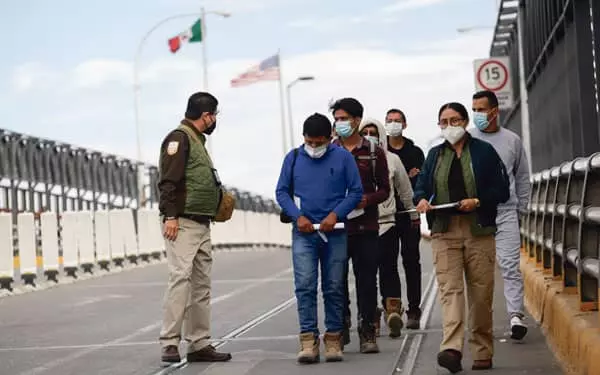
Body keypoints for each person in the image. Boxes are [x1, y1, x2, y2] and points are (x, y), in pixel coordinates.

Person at [414, 102, 509, 373]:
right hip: (445, 231)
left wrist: (478, 201)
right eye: (443, 121)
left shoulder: (484, 152)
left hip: (478, 230)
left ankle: (482, 350)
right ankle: (452, 350)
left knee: (480, 294)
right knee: (450, 292)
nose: (449, 126)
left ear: (465, 121)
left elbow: (502, 189)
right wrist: (421, 200)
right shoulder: (434, 155)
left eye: (454, 120)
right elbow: (421, 186)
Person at [275, 113, 363, 364]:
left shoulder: (343, 157)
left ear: (330, 138)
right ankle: (308, 339)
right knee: (305, 286)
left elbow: (355, 191)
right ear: (303, 138)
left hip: (334, 233)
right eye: (309, 142)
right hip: (304, 233)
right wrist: (297, 216)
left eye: (319, 142)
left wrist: (336, 215)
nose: (314, 147)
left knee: (334, 286)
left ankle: (334, 338)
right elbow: (281, 191)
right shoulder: (292, 158)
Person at [157, 92, 232, 363]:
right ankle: (169, 342)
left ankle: (199, 343)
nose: (214, 121)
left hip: (202, 222)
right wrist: (170, 216)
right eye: (214, 115)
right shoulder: (179, 139)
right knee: (180, 279)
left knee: (201, 285)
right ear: (206, 116)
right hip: (184, 222)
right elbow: (168, 180)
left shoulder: (197, 141)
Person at [330, 98, 390, 354]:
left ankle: (367, 330)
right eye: (337, 119)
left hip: (366, 226)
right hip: (338, 227)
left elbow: (385, 189)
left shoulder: (374, 152)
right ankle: (341, 329)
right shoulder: (330, 150)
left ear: (357, 119)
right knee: (337, 282)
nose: (340, 123)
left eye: (344, 118)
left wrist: (367, 199)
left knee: (367, 281)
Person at [470, 90, 531, 340]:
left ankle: (516, 314)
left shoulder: (512, 141)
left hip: (506, 211)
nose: (477, 115)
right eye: (474, 110)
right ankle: (479, 318)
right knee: (478, 270)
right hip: (475, 212)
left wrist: (523, 209)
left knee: (509, 265)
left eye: (481, 110)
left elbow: (522, 176)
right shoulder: (468, 138)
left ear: (494, 111)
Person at [358, 118, 418, 338]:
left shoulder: (391, 159)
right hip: (361, 225)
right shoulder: (353, 159)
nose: (370, 135)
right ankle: (370, 315)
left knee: (389, 268)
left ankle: (393, 309)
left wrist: (413, 214)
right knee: (366, 273)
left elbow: (404, 190)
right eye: (365, 132)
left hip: (387, 222)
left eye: (374, 132)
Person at [385, 108, 425, 329]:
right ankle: (393, 307)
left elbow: (421, 179)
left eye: (397, 121)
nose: (393, 124)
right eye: (389, 121)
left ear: (405, 124)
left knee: (411, 261)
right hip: (387, 215)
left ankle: (414, 309)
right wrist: (407, 176)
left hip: (409, 214)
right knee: (387, 263)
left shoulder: (415, 151)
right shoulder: (380, 151)